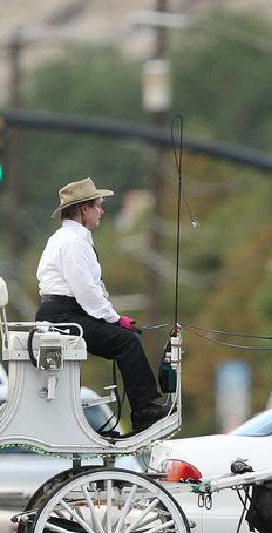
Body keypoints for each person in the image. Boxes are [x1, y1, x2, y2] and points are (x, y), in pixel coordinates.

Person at [35, 177, 170, 432]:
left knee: (124, 339)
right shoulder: (72, 242)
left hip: (64, 312)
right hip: (63, 314)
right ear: (83, 209)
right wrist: (114, 319)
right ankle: (145, 411)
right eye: (97, 206)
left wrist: (112, 318)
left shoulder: (68, 238)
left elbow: (92, 290)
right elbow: (86, 291)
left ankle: (144, 409)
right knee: (127, 343)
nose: (101, 211)